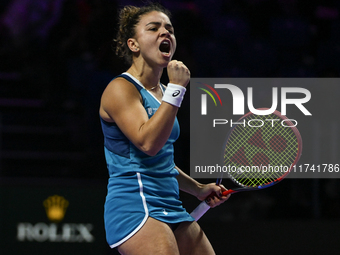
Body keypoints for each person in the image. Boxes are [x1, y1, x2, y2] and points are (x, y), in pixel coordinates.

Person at [99, 3, 230, 254]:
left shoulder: (161, 94)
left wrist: (198, 189)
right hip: (135, 205)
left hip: (170, 204)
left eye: (169, 28)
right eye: (154, 28)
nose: (165, 33)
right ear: (133, 44)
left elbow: (162, 161)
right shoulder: (120, 89)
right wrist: (177, 90)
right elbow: (148, 144)